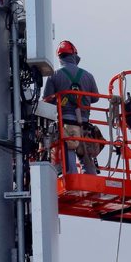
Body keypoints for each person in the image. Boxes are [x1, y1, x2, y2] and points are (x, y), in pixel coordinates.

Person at [43, 40, 100, 174]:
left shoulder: (54, 75)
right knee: (85, 153)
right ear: (74, 55)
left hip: (66, 123)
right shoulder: (88, 76)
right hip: (84, 123)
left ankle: (71, 177)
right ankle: (90, 182)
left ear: (60, 57)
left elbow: (47, 100)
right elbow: (96, 98)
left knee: (68, 147)